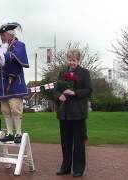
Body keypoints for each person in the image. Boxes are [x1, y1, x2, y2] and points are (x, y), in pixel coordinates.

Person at [0, 22, 29, 144]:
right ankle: (9, 133)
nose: (1, 37)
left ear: (10, 34)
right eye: (1, 35)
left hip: (14, 83)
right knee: (5, 110)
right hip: (2, 85)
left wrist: (3, 57)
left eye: (3, 35)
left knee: (15, 109)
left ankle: (18, 133)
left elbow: (18, 57)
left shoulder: (19, 45)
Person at [53, 49, 92, 177]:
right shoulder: (62, 73)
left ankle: (78, 169)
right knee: (65, 142)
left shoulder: (84, 73)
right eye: (70, 60)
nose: (72, 62)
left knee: (79, 143)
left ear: (78, 60)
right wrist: (59, 96)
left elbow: (89, 90)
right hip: (64, 113)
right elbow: (56, 90)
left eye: (74, 60)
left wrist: (75, 93)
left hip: (78, 113)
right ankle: (65, 167)